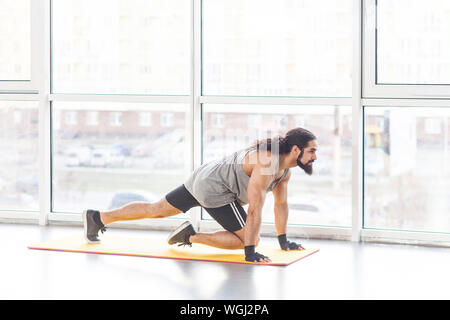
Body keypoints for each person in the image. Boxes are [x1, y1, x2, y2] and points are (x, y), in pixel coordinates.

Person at [83, 127, 318, 263]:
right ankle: (189, 237)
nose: (314, 157)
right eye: (312, 151)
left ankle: (98, 218)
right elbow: (255, 208)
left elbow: (281, 205)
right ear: (295, 150)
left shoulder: (284, 171)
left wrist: (283, 240)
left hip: (203, 177)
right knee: (251, 238)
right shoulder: (268, 161)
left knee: (156, 210)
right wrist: (250, 251)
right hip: (215, 189)